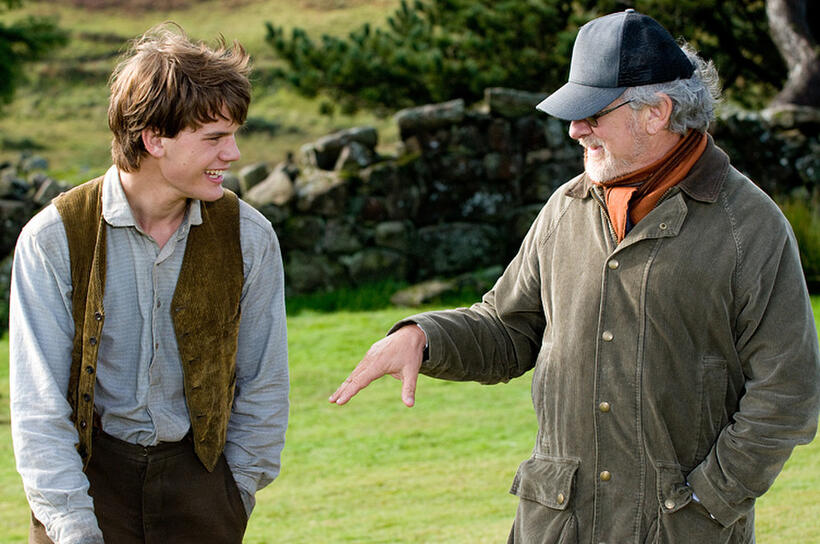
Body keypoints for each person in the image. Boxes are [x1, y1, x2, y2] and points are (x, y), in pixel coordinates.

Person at [330, 9, 820, 543]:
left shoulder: (750, 226)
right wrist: (424, 337)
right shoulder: (565, 208)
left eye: (592, 113)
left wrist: (707, 503)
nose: (574, 129)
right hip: (556, 527)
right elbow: (507, 328)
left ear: (656, 113)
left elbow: (787, 391)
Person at [9, 23, 289, 544]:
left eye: (233, 135)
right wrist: (73, 528)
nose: (233, 154)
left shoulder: (249, 236)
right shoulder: (53, 238)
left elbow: (264, 382)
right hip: (85, 486)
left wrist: (234, 495)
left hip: (202, 491)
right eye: (214, 138)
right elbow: (38, 408)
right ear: (154, 139)